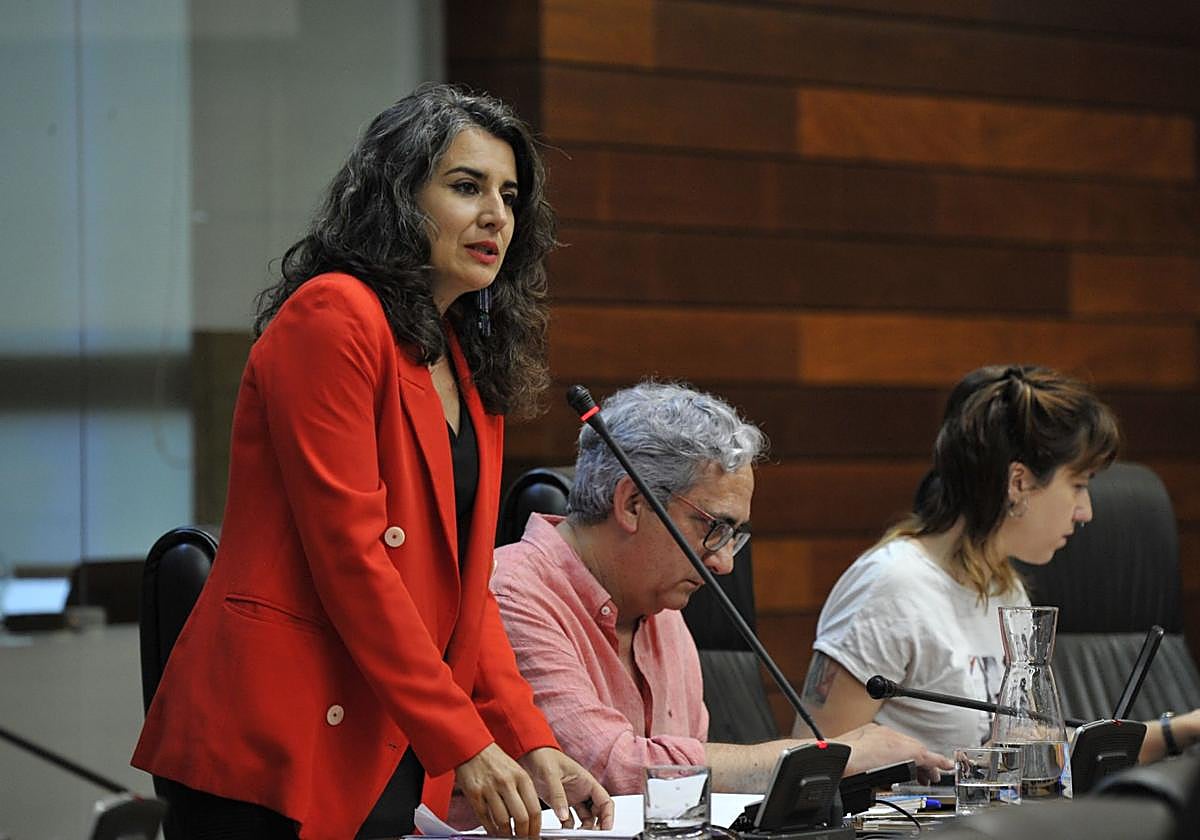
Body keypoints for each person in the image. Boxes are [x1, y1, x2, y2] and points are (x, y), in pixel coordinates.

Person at [132, 84, 612, 840]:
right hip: (278, 738)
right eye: (467, 187)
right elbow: (353, 561)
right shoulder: (333, 314)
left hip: (382, 731)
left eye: (510, 196)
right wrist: (465, 740)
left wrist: (530, 737)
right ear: (398, 198)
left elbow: (466, 594)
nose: (496, 215)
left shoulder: (465, 357)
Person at [490, 381, 952, 796]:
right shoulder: (509, 594)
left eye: (735, 535)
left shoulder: (665, 613)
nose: (724, 564)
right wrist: (834, 756)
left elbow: (689, 795)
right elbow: (608, 772)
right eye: (714, 528)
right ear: (632, 504)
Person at [802, 364, 1200, 764]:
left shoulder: (1005, 588)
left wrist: (1182, 729)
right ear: (1018, 483)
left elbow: (1042, 750)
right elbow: (815, 766)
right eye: (1078, 485)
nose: (1086, 512)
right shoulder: (890, 586)